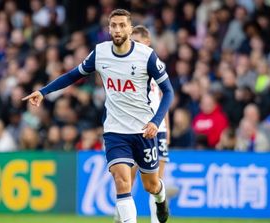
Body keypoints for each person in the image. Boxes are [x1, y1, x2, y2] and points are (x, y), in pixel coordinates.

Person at [22, 9, 174, 223]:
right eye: (114, 25)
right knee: (122, 181)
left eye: (122, 25)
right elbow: (73, 75)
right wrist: (43, 91)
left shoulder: (146, 56)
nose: (118, 29)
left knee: (151, 184)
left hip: (143, 131)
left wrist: (155, 122)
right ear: (108, 28)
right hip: (115, 131)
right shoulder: (100, 53)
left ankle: (161, 196)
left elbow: (168, 91)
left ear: (130, 28)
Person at [119, 25, 170, 223]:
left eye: (138, 42)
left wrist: (166, 128)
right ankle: (121, 216)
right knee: (127, 179)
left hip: (158, 128)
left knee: (155, 181)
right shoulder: (126, 65)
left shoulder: (156, 64)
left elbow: (165, 97)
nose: (135, 46)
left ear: (147, 42)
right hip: (136, 127)